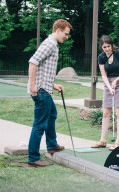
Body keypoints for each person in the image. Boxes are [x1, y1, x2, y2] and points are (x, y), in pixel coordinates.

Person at [27, 19, 72, 167]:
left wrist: (53, 85)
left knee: (52, 114)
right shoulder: (49, 44)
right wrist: (33, 85)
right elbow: (33, 62)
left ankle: (52, 145)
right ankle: (33, 158)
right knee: (40, 124)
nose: (67, 37)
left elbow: (43, 69)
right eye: (66, 34)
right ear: (58, 30)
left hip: (46, 88)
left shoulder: (53, 44)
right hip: (41, 91)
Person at [91, 35, 119, 151]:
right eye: (104, 47)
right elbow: (103, 74)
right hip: (108, 84)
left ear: (112, 45)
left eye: (108, 46)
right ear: (101, 47)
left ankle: (117, 142)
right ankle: (102, 140)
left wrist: (116, 81)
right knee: (106, 112)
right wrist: (109, 86)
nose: (107, 49)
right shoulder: (101, 57)